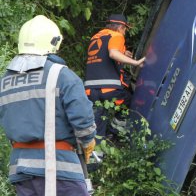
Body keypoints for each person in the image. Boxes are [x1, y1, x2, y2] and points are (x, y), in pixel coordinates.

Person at [0, 15, 96, 195]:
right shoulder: (62, 75)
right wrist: (88, 142)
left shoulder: (4, 82)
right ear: (53, 43)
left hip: (21, 170)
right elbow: (83, 119)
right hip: (60, 168)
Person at [84, 14, 145, 139]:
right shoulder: (116, 35)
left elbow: (103, 55)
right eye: (125, 29)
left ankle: (97, 154)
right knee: (129, 100)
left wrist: (122, 52)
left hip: (90, 90)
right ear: (120, 27)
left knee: (100, 118)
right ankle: (116, 131)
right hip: (108, 88)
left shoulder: (96, 37)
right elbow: (112, 53)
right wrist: (136, 62)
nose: (125, 32)